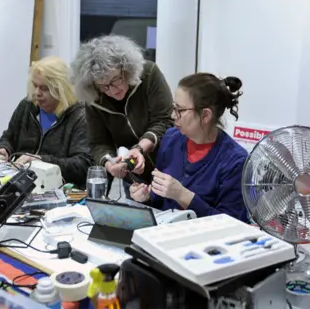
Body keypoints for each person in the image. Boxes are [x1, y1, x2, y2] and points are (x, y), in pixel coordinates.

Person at [130, 73, 248, 221]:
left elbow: (232, 224)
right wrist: (146, 197)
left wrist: (183, 196)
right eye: (173, 108)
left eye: (180, 110)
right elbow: (160, 203)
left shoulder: (235, 161)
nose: (173, 115)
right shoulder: (171, 139)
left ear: (205, 115)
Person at [70, 35, 174, 195]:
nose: (112, 90)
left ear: (126, 68)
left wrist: (140, 148)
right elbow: (98, 142)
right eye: (103, 86)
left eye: (116, 80)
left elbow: (164, 120)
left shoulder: (149, 74)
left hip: (169, 165)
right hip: (134, 175)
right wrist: (109, 163)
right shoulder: (94, 96)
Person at [0, 57, 92, 188]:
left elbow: (83, 165)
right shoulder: (27, 106)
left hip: (60, 189)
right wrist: (4, 148)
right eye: (35, 86)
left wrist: (42, 161)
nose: (37, 93)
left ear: (60, 89)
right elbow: (8, 137)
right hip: (20, 183)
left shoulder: (80, 116)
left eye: (44, 88)